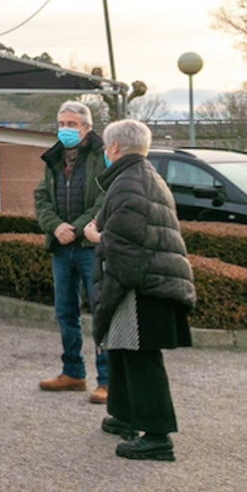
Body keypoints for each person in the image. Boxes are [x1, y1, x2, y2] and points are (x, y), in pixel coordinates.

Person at [83, 119, 195, 462]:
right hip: (151, 277)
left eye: (105, 146)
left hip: (143, 284)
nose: (104, 151)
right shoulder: (140, 175)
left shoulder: (130, 182)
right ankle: (126, 416)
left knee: (140, 355)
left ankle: (158, 436)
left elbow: (126, 243)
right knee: (121, 349)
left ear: (115, 148)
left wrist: (96, 238)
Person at [33, 101, 109, 403]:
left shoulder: (101, 157)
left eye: (71, 124)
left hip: (90, 248)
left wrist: (74, 229)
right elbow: (41, 198)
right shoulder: (53, 159)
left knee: (101, 314)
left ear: (86, 128)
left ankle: (107, 380)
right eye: (61, 123)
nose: (64, 129)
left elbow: (103, 201)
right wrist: (55, 227)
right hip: (61, 250)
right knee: (66, 312)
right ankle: (73, 373)